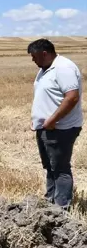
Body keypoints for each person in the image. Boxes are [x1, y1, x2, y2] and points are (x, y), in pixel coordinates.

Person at [28, 38, 83, 210]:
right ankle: (49, 202)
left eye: (34, 56)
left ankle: (61, 209)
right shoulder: (45, 69)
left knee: (60, 169)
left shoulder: (63, 68)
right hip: (46, 128)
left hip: (61, 128)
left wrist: (52, 120)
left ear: (44, 53)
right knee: (50, 167)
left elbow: (72, 97)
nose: (32, 60)